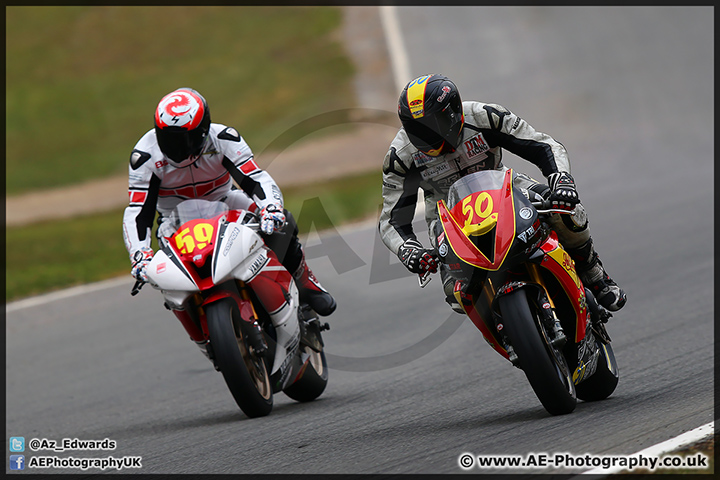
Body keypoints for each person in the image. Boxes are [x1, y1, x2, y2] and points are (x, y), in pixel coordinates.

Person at [378, 74, 626, 314]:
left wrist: (561, 180)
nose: (427, 137)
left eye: (433, 126)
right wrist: (408, 249)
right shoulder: (401, 156)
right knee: (455, 293)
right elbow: (391, 220)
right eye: (417, 130)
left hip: (506, 186)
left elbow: (544, 145)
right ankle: (507, 331)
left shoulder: (484, 116)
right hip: (447, 215)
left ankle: (593, 274)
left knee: (568, 212)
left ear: (454, 112)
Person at [123, 87, 336, 343]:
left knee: (283, 223)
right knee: (162, 275)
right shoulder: (144, 156)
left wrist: (270, 208)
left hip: (224, 201)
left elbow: (254, 179)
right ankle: (203, 336)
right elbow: (139, 211)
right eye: (167, 138)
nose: (175, 148)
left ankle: (305, 282)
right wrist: (139, 253)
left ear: (203, 131)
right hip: (173, 220)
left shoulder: (224, 138)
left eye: (184, 140)